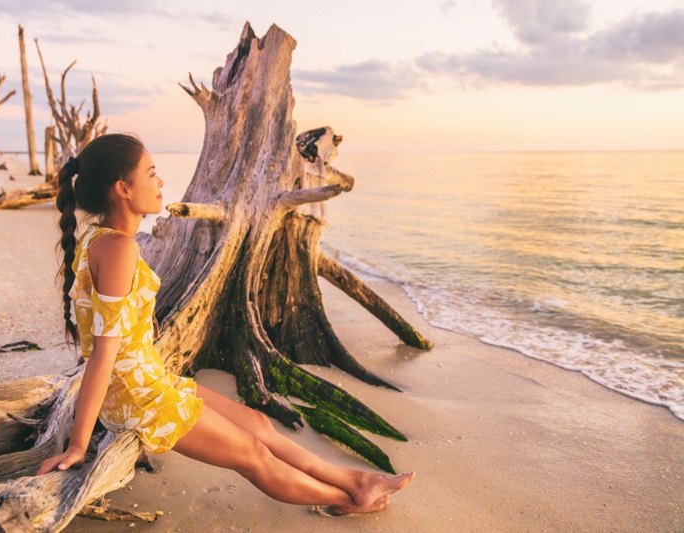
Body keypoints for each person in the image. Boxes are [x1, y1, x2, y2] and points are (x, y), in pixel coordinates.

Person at [37, 133, 414, 514]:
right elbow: (104, 353)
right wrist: (78, 446)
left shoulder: (102, 239)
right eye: (151, 173)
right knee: (252, 454)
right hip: (139, 399)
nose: (160, 182)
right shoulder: (118, 248)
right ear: (122, 189)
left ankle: (356, 480)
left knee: (259, 425)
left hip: (151, 380)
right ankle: (347, 498)